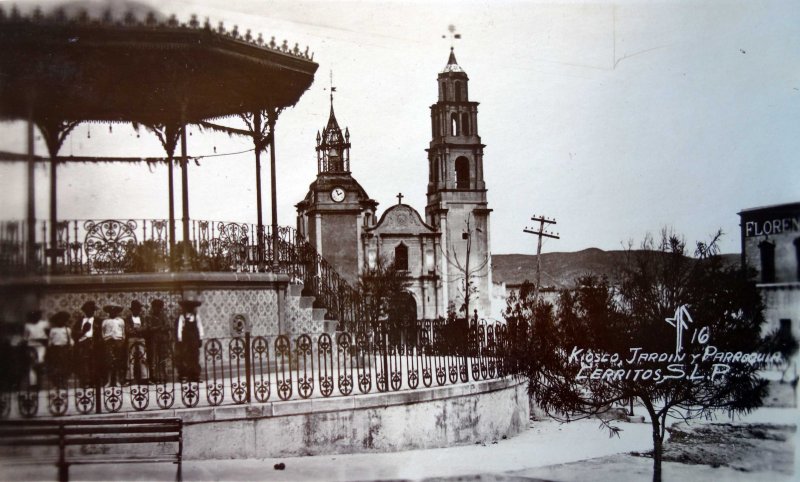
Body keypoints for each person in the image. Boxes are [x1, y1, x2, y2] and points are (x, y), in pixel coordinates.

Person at [176, 300, 204, 382]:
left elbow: (200, 327)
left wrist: (201, 338)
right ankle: (185, 376)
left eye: (191, 307)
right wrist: (180, 339)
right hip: (185, 340)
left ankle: (196, 375)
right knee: (185, 357)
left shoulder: (196, 316)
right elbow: (179, 328)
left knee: (195, 357)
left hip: (194, 339)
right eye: (188, 307)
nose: (190, 309)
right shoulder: (182, 317)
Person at [145, 299, 172, 383]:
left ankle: (163, 377)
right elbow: (150, 328)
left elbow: (168, 326)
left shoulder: (164, 316)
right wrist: (160, 327)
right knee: (153, 358)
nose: (156, 309)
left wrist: (158, 328)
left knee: (162, 358)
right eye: (154, 307)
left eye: (158, 307)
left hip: (163, 339)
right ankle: (155, 377)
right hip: (153, 339)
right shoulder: (149, 317)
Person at [74, 300, 98, 386]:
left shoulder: (98, 321)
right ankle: (85, 382)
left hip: (94, 343)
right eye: (88, 310)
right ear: (85, 311)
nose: (91, 312)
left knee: (94, 363)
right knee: (84, 363)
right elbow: (74, 333)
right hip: (83, 343)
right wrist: (83, 332)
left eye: (92, 310)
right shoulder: (80, 321)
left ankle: (93, 382)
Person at [23, 310, 49, 388]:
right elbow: (25, 337)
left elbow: (48, 333)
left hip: (41, 346)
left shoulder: (44, 324)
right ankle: (33, 384)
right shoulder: (27, 325)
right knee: (32, 364)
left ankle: (40, 382)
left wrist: (44, 340)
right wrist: (31, 340)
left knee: (40, 362)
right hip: (31, 346)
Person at [101, 304, 126, 386]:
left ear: (117, 312)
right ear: (108, 312)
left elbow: (123, 332)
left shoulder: (121, 321)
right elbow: (103, 332)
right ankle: (108, 381)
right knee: (109, 361)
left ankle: (117, 380)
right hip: (108, 341)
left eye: (115, 311)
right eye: (111, 311)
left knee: (118, 361)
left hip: (118, 341)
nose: (113, 312)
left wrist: (122, 341)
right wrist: (105, 339)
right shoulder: (105, 321)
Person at [46, 311, 73, 387]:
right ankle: (57, 383)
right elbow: (50, 340)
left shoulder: (67, 329)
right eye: (59, 320)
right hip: (56, 349)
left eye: (63, 320)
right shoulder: (53, 330)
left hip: (64, 349)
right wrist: (50, 348)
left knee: (65, 366)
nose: (61, 322)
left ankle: (64, 382)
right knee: (57, 366)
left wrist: (71, 345)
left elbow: (70, 339)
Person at [125, 300, 149, 383]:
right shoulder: (128, 318)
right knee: (130, 358)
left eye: (138, 309)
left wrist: (137, 329)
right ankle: (129, 379)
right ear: (132, 310)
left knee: (143, 357)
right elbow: (127, 330)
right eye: (135, 309)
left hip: (141, 339)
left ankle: (145, 378)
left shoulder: (143, 318)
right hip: (131, 339)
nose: (137, 311)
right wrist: (137, 330)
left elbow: (145, 327)